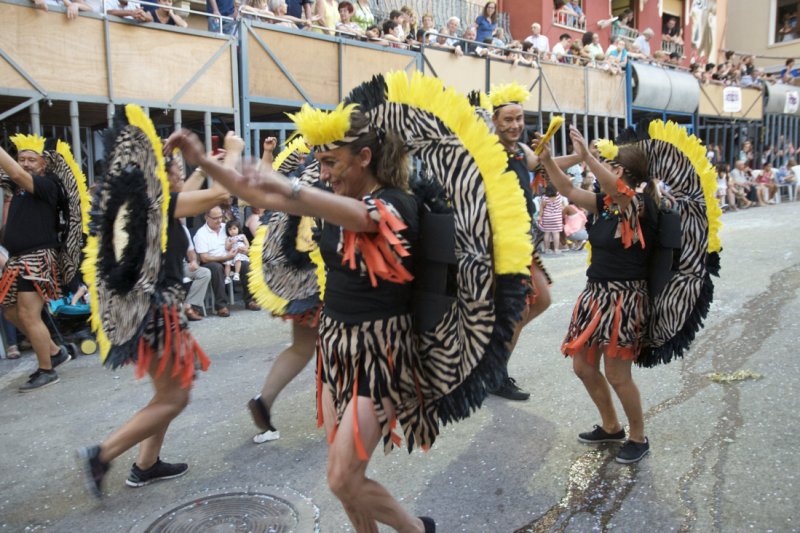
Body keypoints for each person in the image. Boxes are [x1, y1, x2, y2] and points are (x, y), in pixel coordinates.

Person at [167, 105, 438, 533]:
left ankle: (418, 530)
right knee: (344, 471)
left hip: (383, 352)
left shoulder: (395, 202)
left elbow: (353, 218)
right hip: (336, 348)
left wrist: (288, 183)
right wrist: (202, 161)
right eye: (320, 162)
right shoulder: (330, 194)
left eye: (331, 162)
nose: (324, 172)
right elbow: (257, 195)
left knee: (341, 478)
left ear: (364, 157)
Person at [77, 105, 229, 496]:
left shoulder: (150, 205)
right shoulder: (160, 205)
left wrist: (202, 165)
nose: (182, 173)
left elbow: (188, 191)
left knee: (166, 394)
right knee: (175, 397)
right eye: (176, 168)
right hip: (159, 312)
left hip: (155, 309)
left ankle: (146, 465)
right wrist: (227, 157)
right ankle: (102, 454)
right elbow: (225, 192)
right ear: (165, 176)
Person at [539, 126, 657, 464]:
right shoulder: (604, 204)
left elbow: (617, 191)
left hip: (624, 298)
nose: (604, 166)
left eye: (610, 164)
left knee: (619, 375)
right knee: (582, 366)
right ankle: (611, 427)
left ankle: (638, 436)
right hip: (595, 295)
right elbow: (566, 188)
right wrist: (547, 161)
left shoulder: (639, 205)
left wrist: (588, 156)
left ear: (623, 173)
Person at [486, 83, 582, 400]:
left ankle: (493, 360)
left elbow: (542, 164)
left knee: (539, 300)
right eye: (507, 120)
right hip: (498, 244)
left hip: (522, 241)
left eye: (519, 119)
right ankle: (495, 371)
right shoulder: (487, 151)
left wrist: (579, 156)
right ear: (495, 121)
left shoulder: (519, 150)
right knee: (513, 310)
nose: (515, 125)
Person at [0, 135, 74, 391]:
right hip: (17, 259)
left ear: (44, 164)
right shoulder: (18, 189)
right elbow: (13, 176)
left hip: (37, 257)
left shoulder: (48, 184)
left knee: (28, 314)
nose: (26, 163)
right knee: (10, 311)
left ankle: (47, 370)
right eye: (22, 159)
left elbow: (18, 175)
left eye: (32, 159)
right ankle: (54, 351)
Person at [539, 184, 565, 254]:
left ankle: (546, 249)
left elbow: (542, 208)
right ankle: (556, 249)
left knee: (547, 233)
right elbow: (562, 206)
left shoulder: (545, 198)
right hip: (557, 218)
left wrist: (540, 217)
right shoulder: (559, 196)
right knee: (556, 233)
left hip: (547, 217)